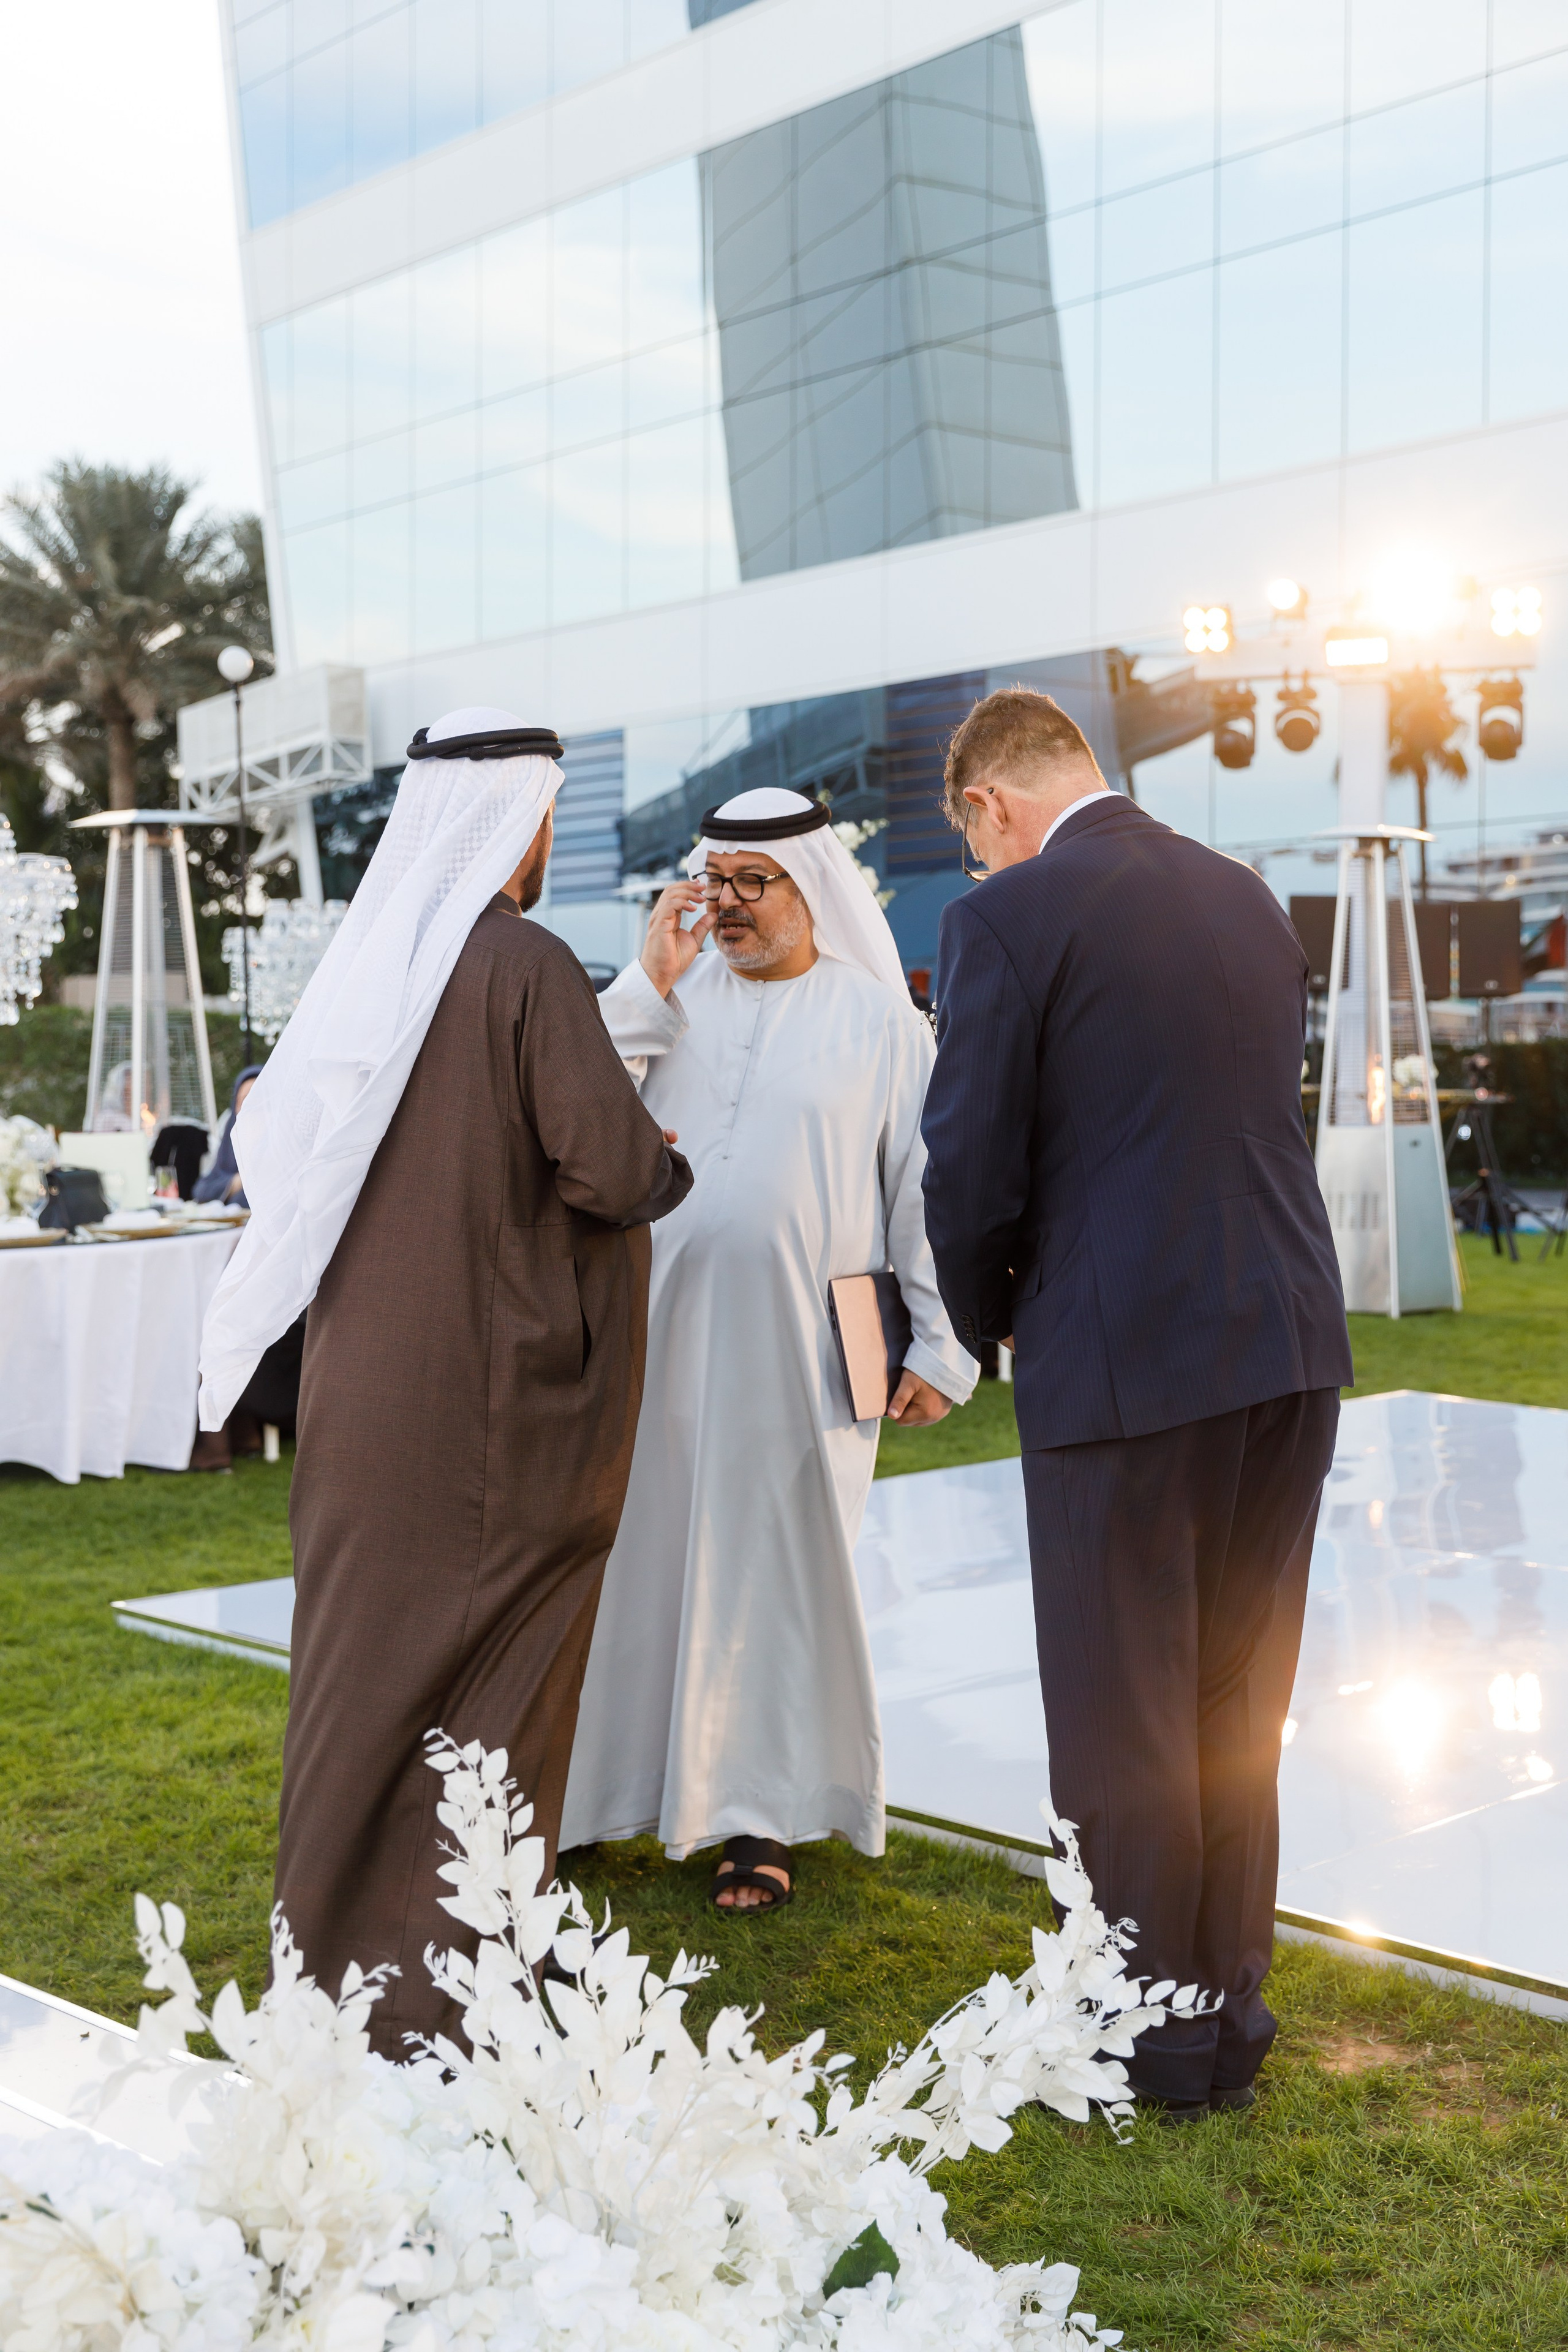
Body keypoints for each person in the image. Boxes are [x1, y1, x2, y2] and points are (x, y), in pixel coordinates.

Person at [197, 709, 691, 2056]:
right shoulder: (517, 964)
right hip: (500, 1409)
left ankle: (339, 1979)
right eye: (540, 814)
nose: (540, 839)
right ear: (510, 823)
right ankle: (444, 2004)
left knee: (360, 1682)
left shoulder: (368, 971)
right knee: (488, 1697)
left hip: (367, 1398)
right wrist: (664, 1158)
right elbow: (605, 1163)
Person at [919, 688, 1351, 2119]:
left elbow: (970, 1161)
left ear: (989, 803)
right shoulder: (1244, 898)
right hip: (1284, 1341)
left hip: (1119, 1353)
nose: (981, 868)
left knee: (1121, 1712)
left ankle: (1139, 2032)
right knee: (1235, 1695)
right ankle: (1226, 2003)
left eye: (973, 842)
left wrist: (984, 1315)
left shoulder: (1007, 919)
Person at [560, 786, 977, 1912]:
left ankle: (760, 1819)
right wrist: (650, 972)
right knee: (634, 1560)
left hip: (808, 1346)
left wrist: (940, 1346)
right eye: (715, 881)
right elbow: (579, 1102)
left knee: (778, 1577)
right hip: (661, 1338)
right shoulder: (671, 996)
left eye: (754, 883)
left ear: (810, 888)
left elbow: (920, 1194)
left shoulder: (881, 1021)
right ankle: (598, 1795)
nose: (730, 905)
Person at [192, 1066, 262, 1205]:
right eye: (242, 1100)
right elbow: (201, 1190)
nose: (246, 1107)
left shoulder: (283, 1147)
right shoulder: (230, 1147)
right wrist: (236, 1182)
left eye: (254, 1099)